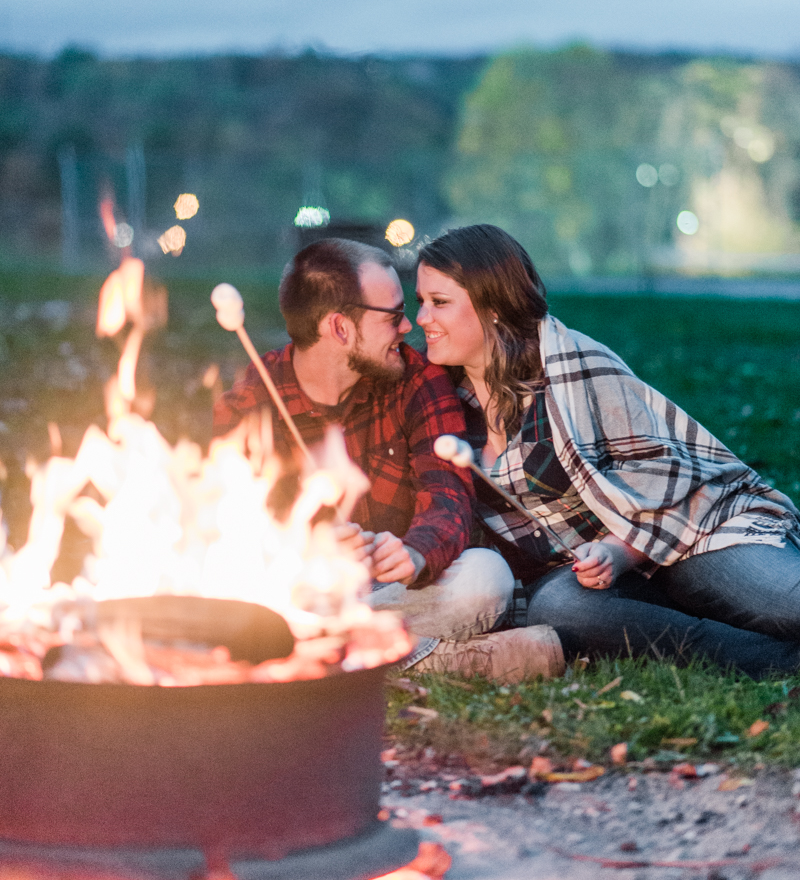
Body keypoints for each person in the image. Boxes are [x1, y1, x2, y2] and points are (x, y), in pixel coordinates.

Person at [416, 223, 800, 679]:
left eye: (439, 302)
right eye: (421, 301)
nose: (422, 317)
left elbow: (666, 477)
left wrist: (618, 553)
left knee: (787, 602)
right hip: (584, 577)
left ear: (493, 307)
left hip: (689, 536)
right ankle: (775, 662)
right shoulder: (446, 405)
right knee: (557, 608)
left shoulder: (574, 367)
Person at [214, 237, 564, 681]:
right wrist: (309, 551)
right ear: (340, 328)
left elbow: (448, 496)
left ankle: (316, 654)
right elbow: (233, 534)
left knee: (485, 578)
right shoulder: (251, 403)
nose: (409, 327)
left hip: (394, 591)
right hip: (300, 594)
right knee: (248, 604)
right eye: (394, 316)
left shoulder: (418, 380)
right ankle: (436, 660)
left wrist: (417, 554)